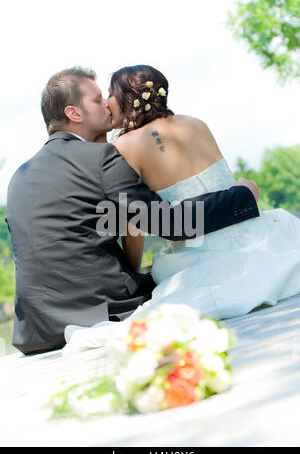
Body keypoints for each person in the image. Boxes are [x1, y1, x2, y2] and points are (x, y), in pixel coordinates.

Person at [6, 66, 260, 355]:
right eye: (97, 98)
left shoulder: (19, 176)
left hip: (37, 330)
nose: (106, 104)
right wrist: (240, 197)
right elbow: (170, 224)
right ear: (74, 114)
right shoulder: (99, 157)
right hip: (103, 310)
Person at [102, 64, 300, 323]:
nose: (106, 104)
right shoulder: (196, 123)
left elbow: (135, 223)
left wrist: (133, 271)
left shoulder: (124, 145)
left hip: (200, 252)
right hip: (257, 232)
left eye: (110, 95)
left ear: (127, 97)